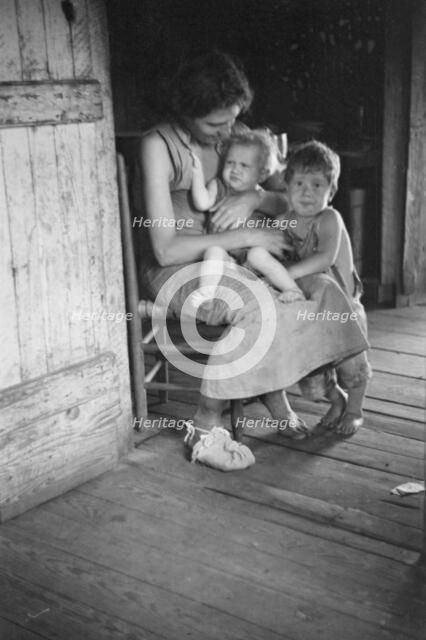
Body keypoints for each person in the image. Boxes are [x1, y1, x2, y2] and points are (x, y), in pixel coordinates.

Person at [137, 50, 369, 471]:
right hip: (182, 266)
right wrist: (242, 233)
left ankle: (291, 391)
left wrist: (256, 195)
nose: (228, 130)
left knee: (314, 288)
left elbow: (299, 201)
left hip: (236, 257)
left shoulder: (236, 135)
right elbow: (164, 248)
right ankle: (208, 415)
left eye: (233, 118)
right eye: (215, 123)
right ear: (185, 111)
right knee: (261, 300)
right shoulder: (159, 146)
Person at [279, 140, 371, 434]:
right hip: (313, 309)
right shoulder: (284, 221)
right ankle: (337, 401)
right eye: (299, 183)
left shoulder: (329, 218)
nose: (307, 191)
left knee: (350, 366)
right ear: (287, 187)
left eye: (317, 185)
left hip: (343, 307)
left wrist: (286, 273)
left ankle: (355, 410)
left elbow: (324, 258)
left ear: (331, 192)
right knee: (313, 372)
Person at [187, 129, 305, 313]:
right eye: (230, 163)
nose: (235, 170)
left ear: (262, 174)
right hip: (232, 261)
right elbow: (202, 202)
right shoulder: (217, 187)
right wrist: (196, 172)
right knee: (213, 251)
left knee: (257, 254)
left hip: (258, 259)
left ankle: (292, 289)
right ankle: (207, 296)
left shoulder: (262, 196)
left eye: (244, 166)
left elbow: (289, 209)